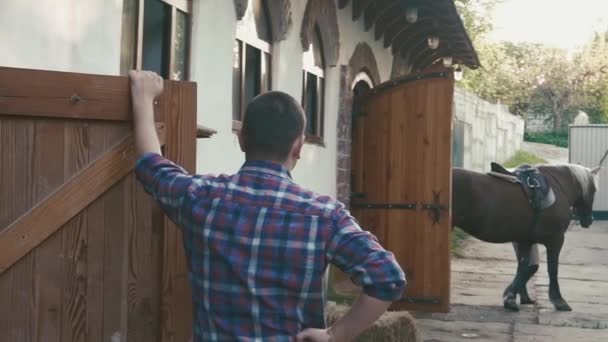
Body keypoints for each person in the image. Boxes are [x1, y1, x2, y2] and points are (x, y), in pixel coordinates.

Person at [129, 70, 406, 341]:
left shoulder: (201, 198)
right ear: (298, 145)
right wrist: (336, 335)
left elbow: (152, 167)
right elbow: (387, 277)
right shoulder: (324, 216)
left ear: (241, 138)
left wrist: (143, 99)